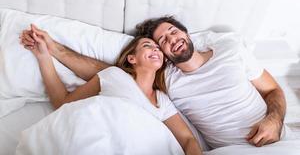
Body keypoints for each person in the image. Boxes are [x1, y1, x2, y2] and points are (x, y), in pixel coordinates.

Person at [20, 15, 286, 149]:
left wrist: (275, 119)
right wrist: (52, 50)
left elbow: (274, 89)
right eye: (161, 42)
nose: (170, 40)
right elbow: (104, 72)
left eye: (173, 31)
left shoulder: (229, 49)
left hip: (277, 140)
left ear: (185, 32)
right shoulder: (164, 80)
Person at [21, 25, 202, 155]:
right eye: (148, 46)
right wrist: (44, 56)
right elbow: (63, 103)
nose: (156, 49)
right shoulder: (113, 75)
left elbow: (188, 139)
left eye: (158, 48)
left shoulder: (162, 100)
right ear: (132, 58)